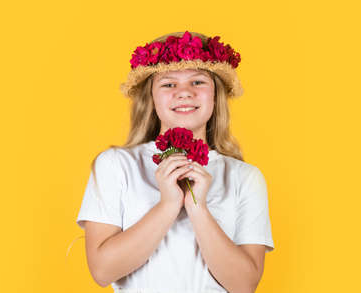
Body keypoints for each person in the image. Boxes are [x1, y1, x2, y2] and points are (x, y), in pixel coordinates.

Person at [75, 31, 275, 293]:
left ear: (215, 95)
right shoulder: (116, 165)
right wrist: (168, 204)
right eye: (169, 84)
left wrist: (197, 208)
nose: (184, 93)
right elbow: (102, 271)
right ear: (152, 98)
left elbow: (244, 285)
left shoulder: (244, 177)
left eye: (198, 82)